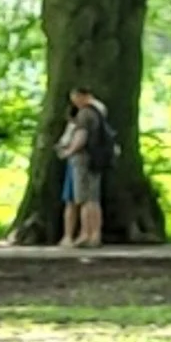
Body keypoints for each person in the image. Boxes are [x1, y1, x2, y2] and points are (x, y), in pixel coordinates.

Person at [58, 86, 110, 248]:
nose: (75, 102)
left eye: (76, 98)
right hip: (96, 159)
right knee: (93, 199)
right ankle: (94, 234)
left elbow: (81, 137)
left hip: (83, 160)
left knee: (85, 199)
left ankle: (86, 234)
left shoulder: (85, 114)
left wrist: (69, 151)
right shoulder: (98, 114)